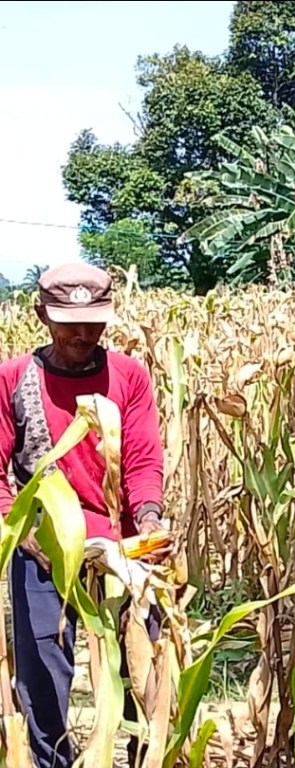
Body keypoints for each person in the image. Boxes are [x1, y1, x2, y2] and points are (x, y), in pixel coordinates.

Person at [0, 263, 171, 768]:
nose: (82, 333)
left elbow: (142, 460)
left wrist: (150, 518)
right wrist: (22, 527)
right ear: (41, 316)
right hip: (41, 550)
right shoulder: (14, 380)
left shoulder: (129, 376)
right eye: (68, 320)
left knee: (148, 674)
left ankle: (147, 757)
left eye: (94, 320)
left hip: (121, 551)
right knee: (43, 680)